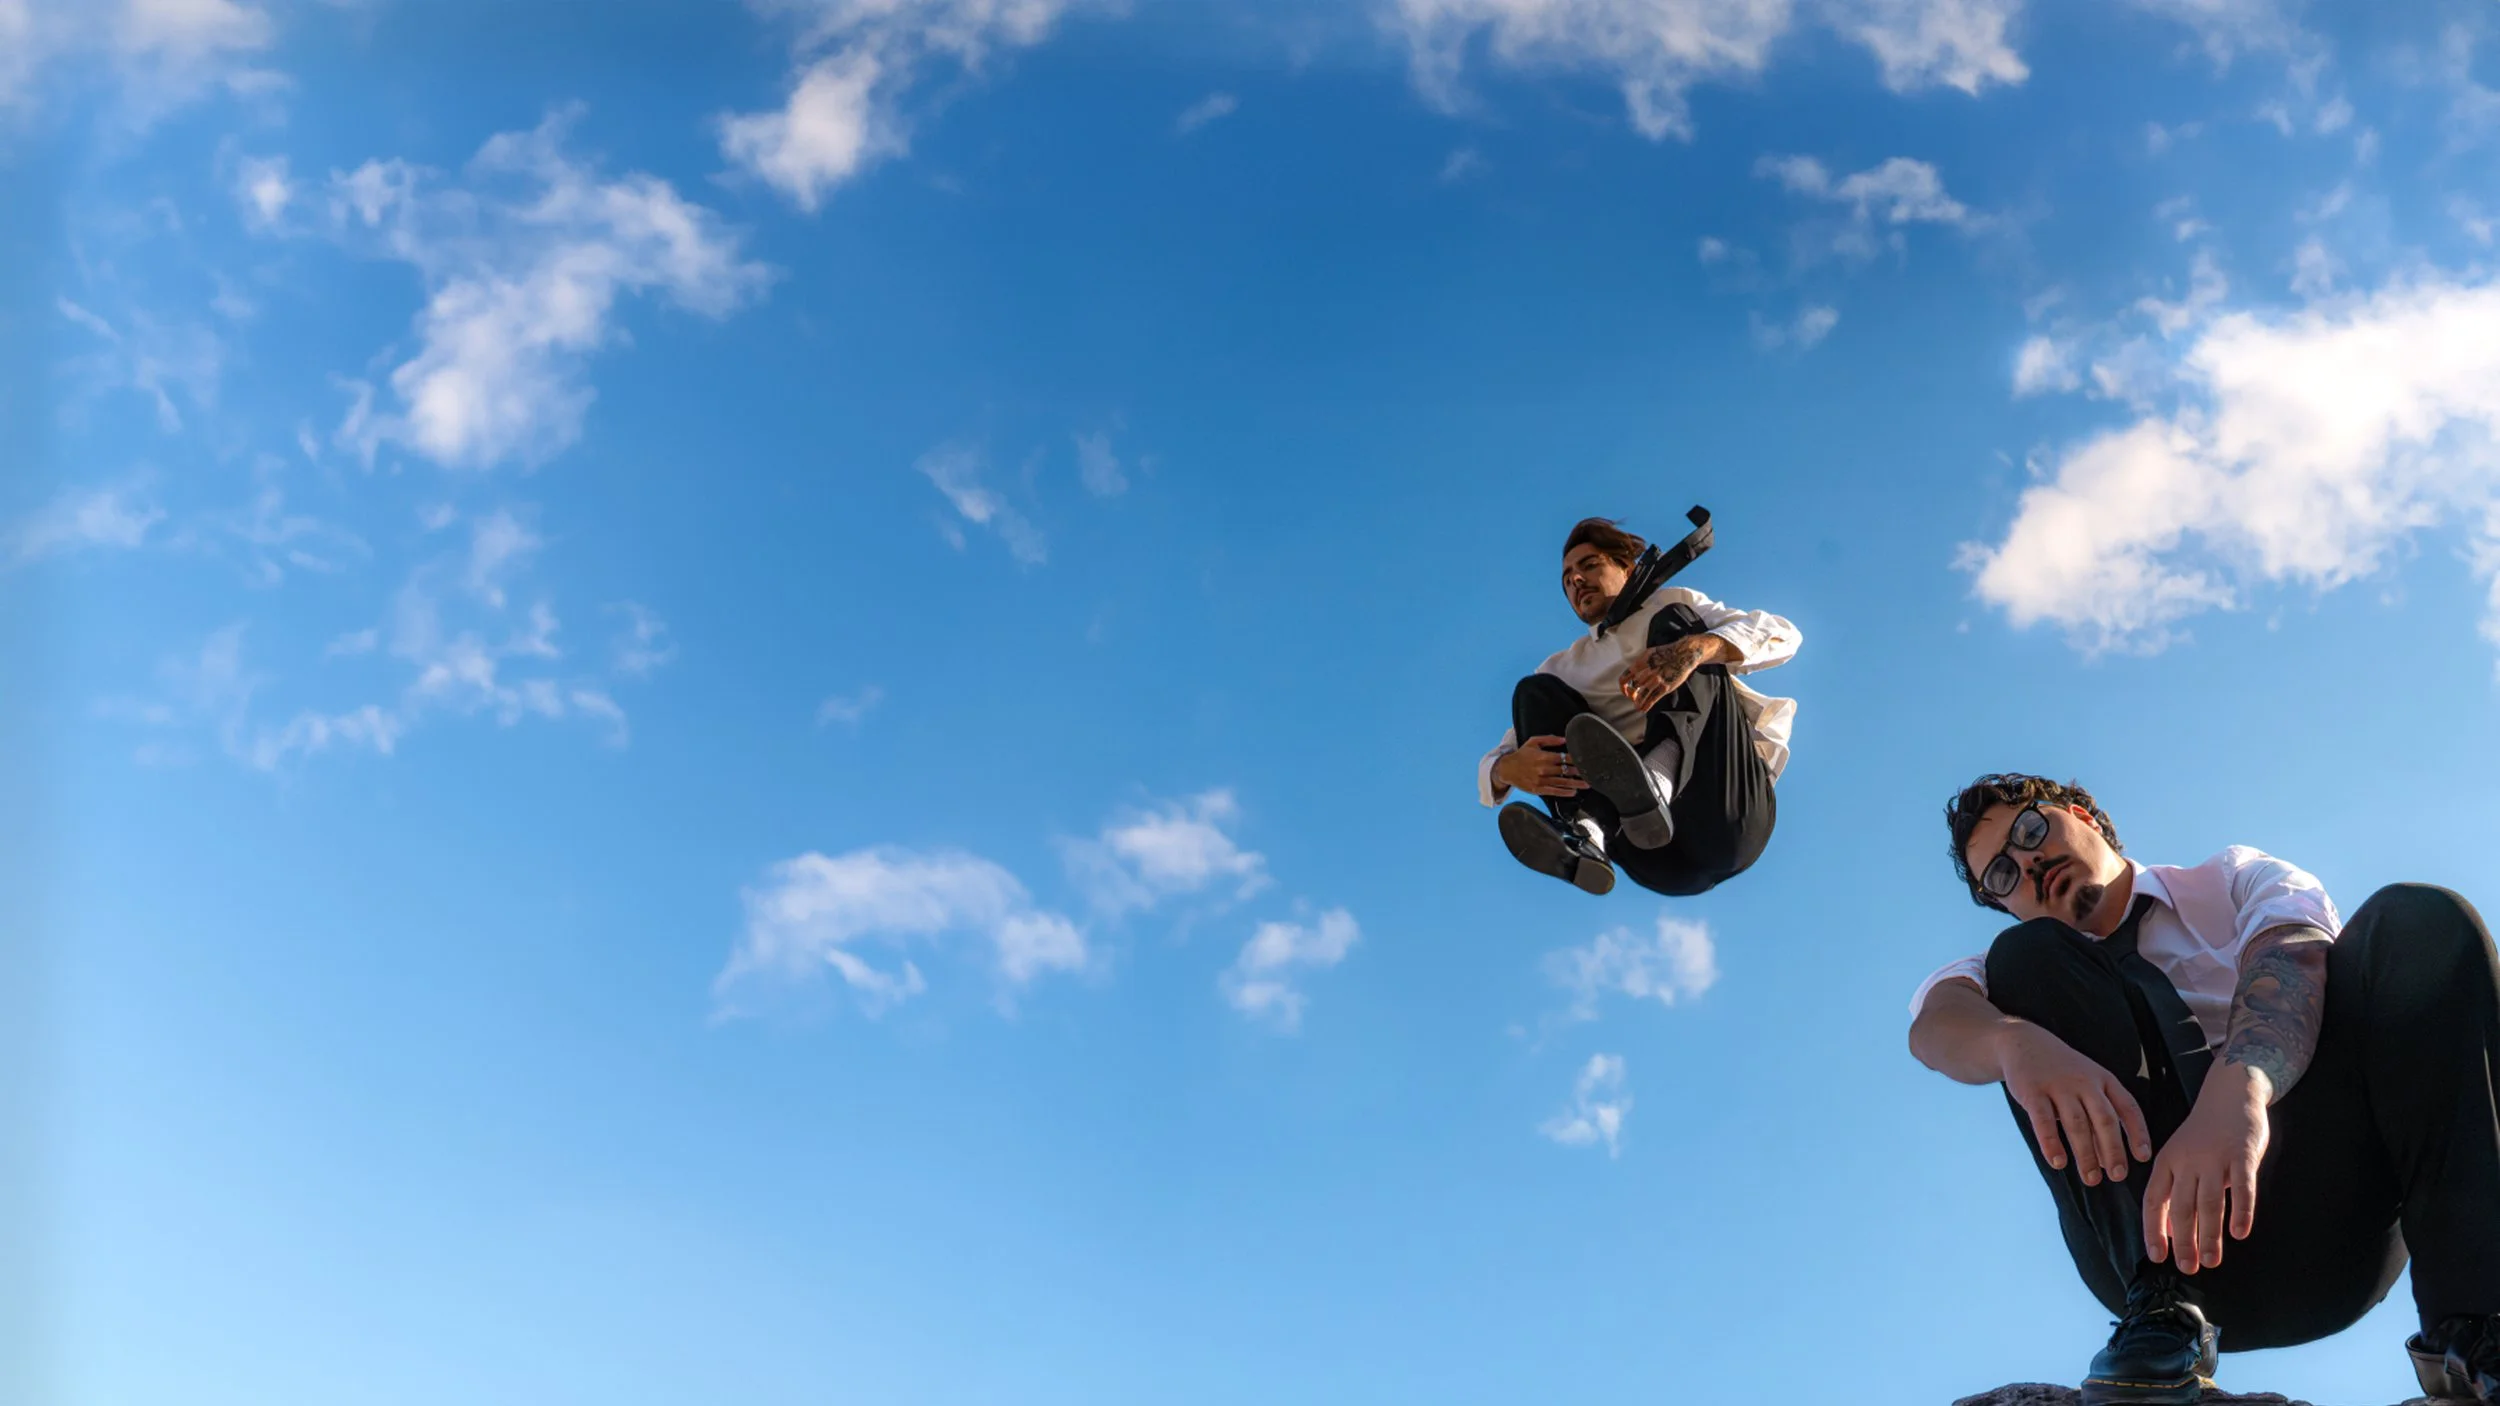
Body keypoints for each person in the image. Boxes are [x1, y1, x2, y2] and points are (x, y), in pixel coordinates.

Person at [1907, 773, 2500, 1406]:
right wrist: (2012, 1041)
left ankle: (2475, 1324)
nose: (2025, 863)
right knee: (2024, 961)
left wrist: (2239, 1087)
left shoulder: (2234, 880)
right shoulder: (2013, 964)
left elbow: (2292, 952)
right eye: (1999, 875)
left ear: (2082, 814)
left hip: (2328, 1220)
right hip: (2147, 1254)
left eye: (2031, 829)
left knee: (2415, 918)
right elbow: (1937, 1025)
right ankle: (2165, 1312)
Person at [1478, 517, 1801, 898]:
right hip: (1653, 855)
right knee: (1534, 693)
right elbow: (1497, 761)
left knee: (1679, 627)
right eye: (1566, 579)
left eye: (1589, 566)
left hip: (1725, 818)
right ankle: (1586, 834)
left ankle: (1657, 779)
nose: (1576, 581)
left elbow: (1785, 635)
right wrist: (1506, 769)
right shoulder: (1564, 668)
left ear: (1626, 568)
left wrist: (1699, 648)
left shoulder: (1672, 602)